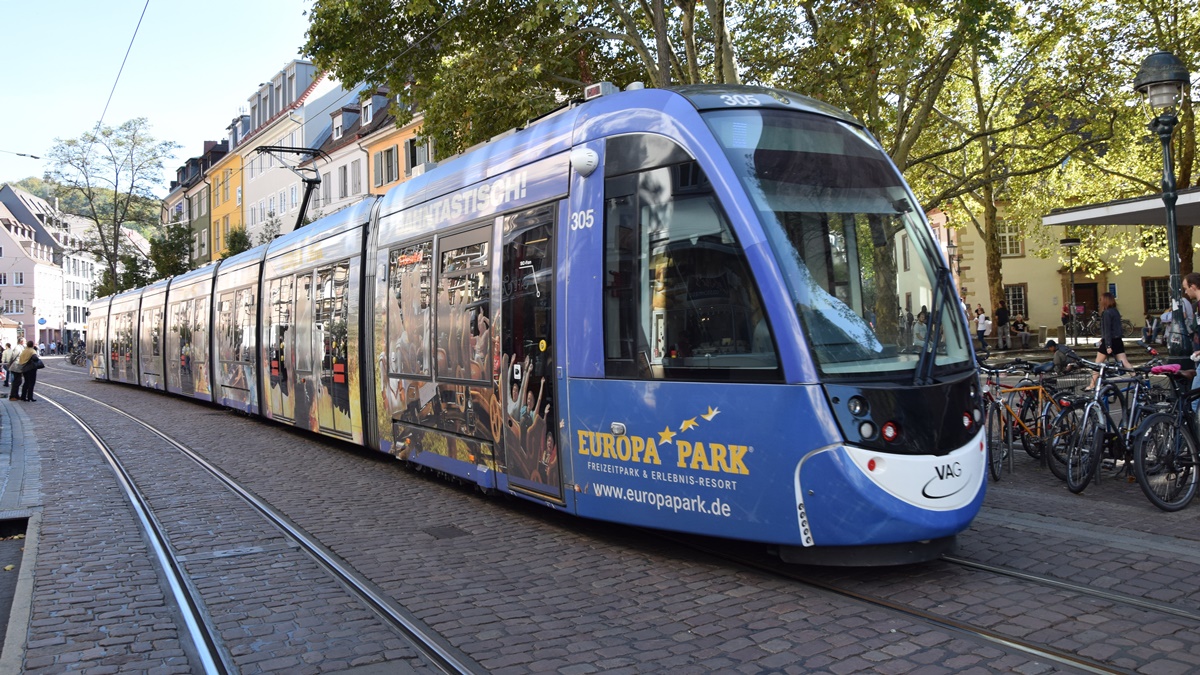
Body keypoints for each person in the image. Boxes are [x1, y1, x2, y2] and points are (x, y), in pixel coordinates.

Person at [1086, 292, 1132, 391]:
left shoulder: (1106, 313)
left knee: (1097, 364)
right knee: (1124, 362)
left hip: (1109, 341)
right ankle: (1136, 377)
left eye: (1101, 300)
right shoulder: (1115, 311)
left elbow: (1107, 330)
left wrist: (1107, 345)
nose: (1100, 302)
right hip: (1117, 340)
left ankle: (1092, 384)